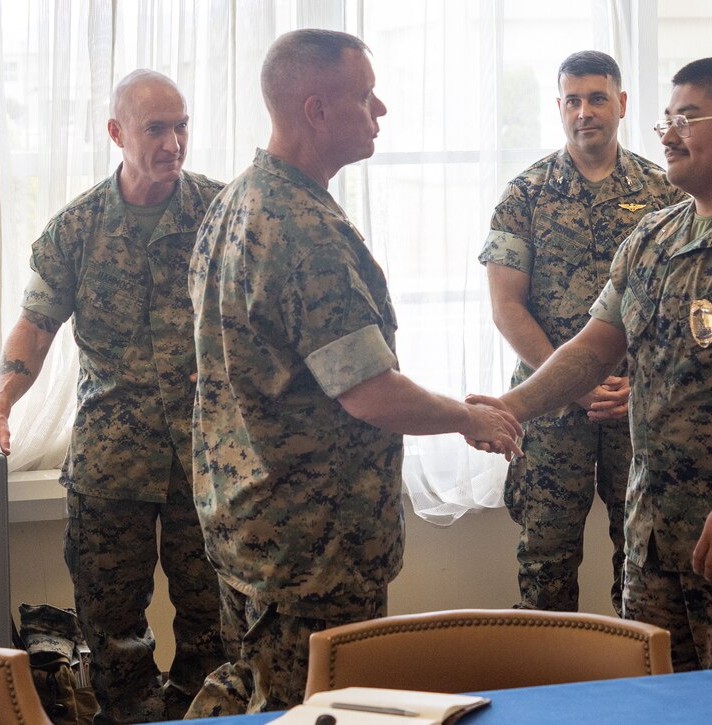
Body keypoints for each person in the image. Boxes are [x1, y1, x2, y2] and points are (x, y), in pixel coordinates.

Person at [470, 56, 712, 671]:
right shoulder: (651, 240)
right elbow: (592, 349)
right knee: (656, 701)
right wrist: (512, 406)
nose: (669, 133)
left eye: (689, 118)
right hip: (656, 542)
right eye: (667, 120)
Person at [187, 29, 522, 716]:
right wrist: (470, 417)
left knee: (256, 692)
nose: (382, 110)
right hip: (310, 549)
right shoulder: (303, 230)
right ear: (316, 110)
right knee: (313, 708)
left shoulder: (236, 201)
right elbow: (370, 393)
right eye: (364, 97)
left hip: (249, 521)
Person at [0, 70, 224, 722]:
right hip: (112, 465)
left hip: (209, 462)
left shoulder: (222, 211)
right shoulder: (78, 228)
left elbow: (265, 316)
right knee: (112, 635)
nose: (173, 141)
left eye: (181, 124)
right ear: (116, 132)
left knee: (215, 629)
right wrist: (0, 403)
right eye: (156, 127)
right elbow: (36, 324)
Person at [479, 50, 683, 613]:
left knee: (644, 557)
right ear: (559, 107)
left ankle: (638, 684)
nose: (584, 111)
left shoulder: (665, 192)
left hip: (634, 406)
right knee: (546, 561)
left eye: (597, 98)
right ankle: (548, 692)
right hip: (549, 409)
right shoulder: (524, 194)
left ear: (620, 103)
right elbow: (507, 307)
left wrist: (636, 384)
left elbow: (682, 307)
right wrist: (570, 381)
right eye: (573, 99)